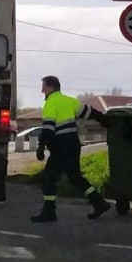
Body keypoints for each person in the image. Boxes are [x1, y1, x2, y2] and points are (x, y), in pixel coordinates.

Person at [31, 75, 112, 223]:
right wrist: (106, 121)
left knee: (48, 178)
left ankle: (49, 212)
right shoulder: (69, 101)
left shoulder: (51, 103)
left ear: (50, 87)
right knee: (75, 177)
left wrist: (41, 146)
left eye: (43, 86)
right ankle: (99, 203)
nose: (42, 90)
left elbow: (48, 128)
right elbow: (89, 112)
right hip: (73, 144)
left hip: (60, 146)